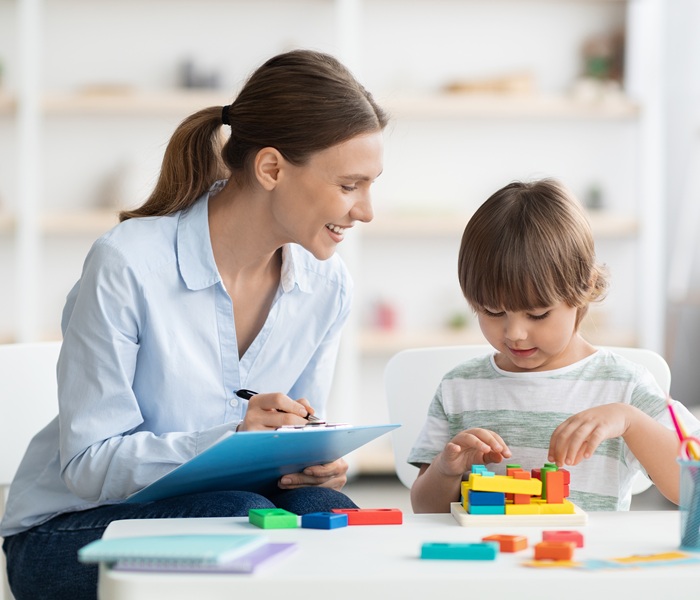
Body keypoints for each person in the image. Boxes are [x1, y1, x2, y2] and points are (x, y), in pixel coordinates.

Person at [1, 49, 388, 599]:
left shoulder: (327, 285)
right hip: (70, 534)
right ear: (272, 168)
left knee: (327, 511)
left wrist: (312, 464)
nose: (367, 210)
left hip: (220, 508)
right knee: (241, 517)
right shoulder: (129, 264)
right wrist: (228, 438)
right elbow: (88, 466)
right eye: (350, 185)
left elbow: (293, 443)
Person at [408, 178, 700, 514]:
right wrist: (448, 470)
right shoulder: (459, 386)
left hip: (585, 560)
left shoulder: (624, 386)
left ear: (584, 288)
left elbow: (692, 488)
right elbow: (423, 509)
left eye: (537, 314)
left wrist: (630, 421)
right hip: (487, 562)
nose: (515, 332)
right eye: (493, 311)